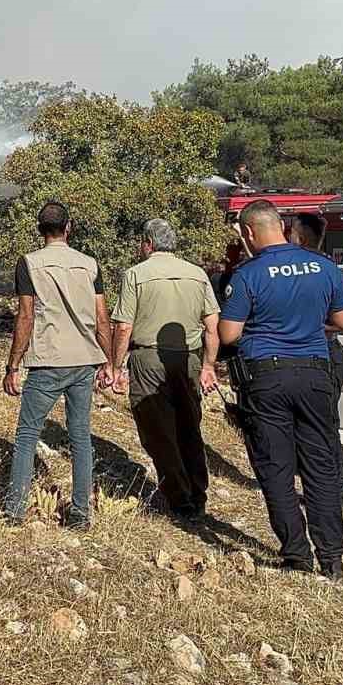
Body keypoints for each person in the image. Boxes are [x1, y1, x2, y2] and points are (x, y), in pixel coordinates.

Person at [220, 200, 343, 580]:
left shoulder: (248, 274)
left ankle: (296, 553)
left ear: (248, 232)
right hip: (314, 374)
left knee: (275, 467)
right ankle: (332, 557)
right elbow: (342, 320)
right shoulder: (324, 267)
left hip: (266, 377)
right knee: (321, 466)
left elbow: (229, 333)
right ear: (281, 225)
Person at [1, 200, 113, 529]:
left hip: (48, 361)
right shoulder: (89, 264)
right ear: (69, 227)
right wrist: (108, 362)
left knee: (26, 437)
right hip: (84, 361)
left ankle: (15, 510)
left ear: (40, 231)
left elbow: (25, 316)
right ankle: (80, 514)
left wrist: (13, 365)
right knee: (80, 437)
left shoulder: (29, 263)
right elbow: (102, 319)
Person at [108, 219, 221, 519]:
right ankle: (198, 492)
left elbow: (123, 327)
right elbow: (212, 326)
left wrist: (115, 366)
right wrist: (209, 365)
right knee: (189, 426)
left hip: (149, 359)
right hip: (189, 359)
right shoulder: (197, 274)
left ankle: (179, 497)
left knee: (159, 431)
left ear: (148, 243)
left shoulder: (135, 275)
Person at [290, 212, 343, 511]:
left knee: (321, 429)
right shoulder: (329, 268)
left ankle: (331, 494)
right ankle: (331, 492)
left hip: (318, 356)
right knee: (326, 428)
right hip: (329, 355)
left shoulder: (300, 272)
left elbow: (342, 321)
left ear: (299, 237)